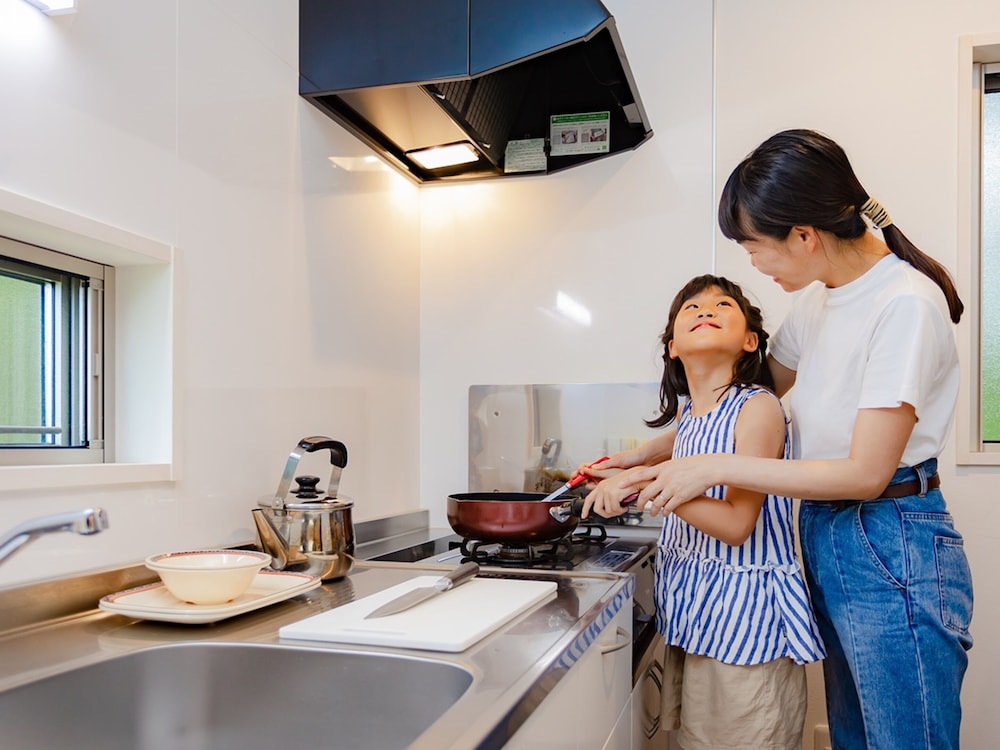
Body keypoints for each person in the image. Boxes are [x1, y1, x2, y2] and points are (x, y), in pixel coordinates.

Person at [584, 130, 974, 750]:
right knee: (855, 735)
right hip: (830, 530)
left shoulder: (904, 304)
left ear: (803, 235)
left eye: (755, 248)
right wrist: (643, 456)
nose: (754, 266)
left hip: (890, 534)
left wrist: (699, 468)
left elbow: (865, 473)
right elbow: (732, 402)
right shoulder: (821, 304)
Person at [585, 273, 825, 750]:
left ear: (750, 341)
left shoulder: (758, 408)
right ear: (672, 346)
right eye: (691, 308)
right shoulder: (691, 416)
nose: (706, 310)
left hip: (744, 626)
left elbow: (737, 524)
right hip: (700, 619)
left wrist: (643, 484)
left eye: (722, 306)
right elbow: (680, 445)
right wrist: (634, 465)